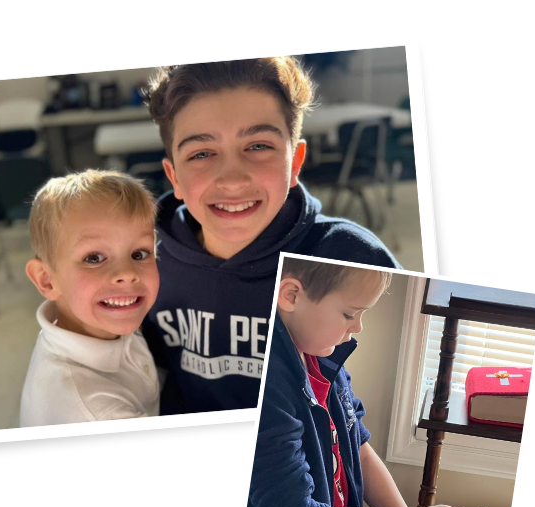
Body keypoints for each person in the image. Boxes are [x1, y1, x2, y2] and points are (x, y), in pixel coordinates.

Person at [141, 57, 401, 415]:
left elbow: (338, 399)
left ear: (294, 162)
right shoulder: (144, 262)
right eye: (202, 153)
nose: (232, 179)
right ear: (174, 178)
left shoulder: (351, 257)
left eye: (258, 146)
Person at [243, 258, 466, 507]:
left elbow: (358, 449)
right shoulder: (266, 385)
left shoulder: (323, 355)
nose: (358, 327)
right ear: (290, 295)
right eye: (349, 314)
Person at [19, 170, 161, 426]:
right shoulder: (96, 411)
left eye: (140, 254)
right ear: (47, 280)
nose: (127, 274)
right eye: (93, 258)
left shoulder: (99, 321)